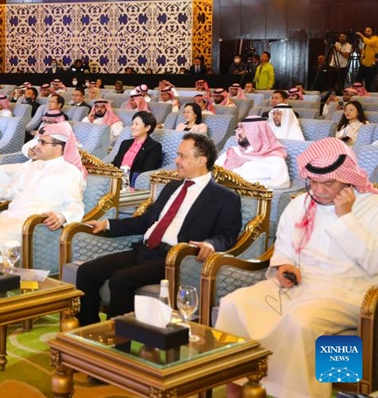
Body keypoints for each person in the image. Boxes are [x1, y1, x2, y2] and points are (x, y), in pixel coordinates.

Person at [216, 138, 378, 398]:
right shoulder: (300, 204)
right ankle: (236, 388)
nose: (320, 191)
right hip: (298, 287)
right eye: (313, 182)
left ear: (348, 178)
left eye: (328, 183)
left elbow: (373, 263)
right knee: (233, 303)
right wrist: (283, 266)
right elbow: (283, 249)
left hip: (349, 292)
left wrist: (345, 216)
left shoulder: (372, 207)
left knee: (300, 321)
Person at [76, 133, 242, 325]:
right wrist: (108, 224)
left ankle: (120, 345)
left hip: (175, 259)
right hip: (145, 250)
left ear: (201, 160)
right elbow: (147, 221)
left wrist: (210, 244)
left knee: (121, 280)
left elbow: (227, 235)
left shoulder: (225, 197)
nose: (176, 160)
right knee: (87, 271)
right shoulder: (172, 187)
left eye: (182, 156)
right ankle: (88, 333)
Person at [0, 122, 86, 268]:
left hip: (32, 226)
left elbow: (76, 205)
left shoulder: (70, 172)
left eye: (43, 142)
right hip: (8, 217)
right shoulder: (34, 165)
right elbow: (15, 190)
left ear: (58, 147)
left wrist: (62, 216)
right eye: (38, 141)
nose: (37, 146)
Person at [215, 117, 290, 189]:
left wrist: (246, 185)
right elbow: (213, 171)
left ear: (256, 132)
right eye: (239, 128)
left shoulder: (274, 158)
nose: (238, 132)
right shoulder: (233, 151)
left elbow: (282, 182)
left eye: (243, 129)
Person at [111, 111, 163, 186]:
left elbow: (147, 171)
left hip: (134, 183)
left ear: (147, 127)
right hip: (115, 180)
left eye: (136, 124)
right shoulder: (125, 143)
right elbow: (115, 163)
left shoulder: (154, 147)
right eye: (132, 124)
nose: (132, 127)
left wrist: (124, 178)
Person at [356, 27, 378, 91]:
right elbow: (364, 50)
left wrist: (361, 35)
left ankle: (368, 97)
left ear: (372, 32)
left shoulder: (375, 38)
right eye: (365, 31)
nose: (366, 32)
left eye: (369, 31)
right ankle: (360, 94)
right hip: (363, 64)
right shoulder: (365, 40)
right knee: (358, 80)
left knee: (369, 83)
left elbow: (369, 42)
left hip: (371, 65)